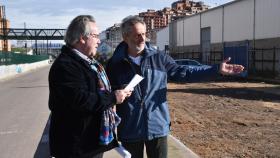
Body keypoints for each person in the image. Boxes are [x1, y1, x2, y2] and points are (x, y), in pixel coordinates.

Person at [106, 15, 244, 158]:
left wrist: (215, 70)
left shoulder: (159, 58)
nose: (142, 39)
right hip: (130, 129)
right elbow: (108, 96)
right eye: (136, 35)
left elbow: (184, 72)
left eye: (144, 34)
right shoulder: (114, 64)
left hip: (157, 126)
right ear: (125, 37)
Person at [48, 15, 131, 158]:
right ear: (82, 38)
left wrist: (118, 90)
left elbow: (95, 89)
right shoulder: (66, 65)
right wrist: (113, 97)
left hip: (89, 144)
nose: (99, 41)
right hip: (75, 148)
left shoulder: (88, 63)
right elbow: (80, 100)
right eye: (95, 36)